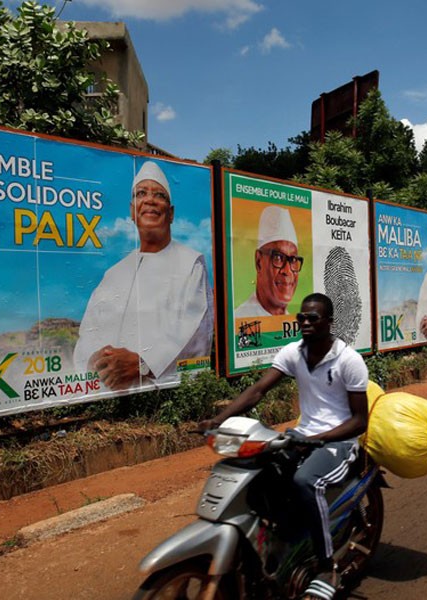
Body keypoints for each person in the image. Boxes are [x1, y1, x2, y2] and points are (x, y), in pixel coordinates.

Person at [198, 293, 368, 600]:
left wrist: (322, 438)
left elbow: (359, 421)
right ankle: (276, 546)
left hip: (341, 444)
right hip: (302, 435)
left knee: (306, 482)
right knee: (260, 475)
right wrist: (217, 419)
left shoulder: (348, 360)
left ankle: (326, 565)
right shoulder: (294, 352)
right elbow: (258, 391)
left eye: (312, 318)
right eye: (301, 318)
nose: (304, 323)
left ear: (329, 322)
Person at [72, 160, 214, 390]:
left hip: (162, 398)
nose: (150, 199)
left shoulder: (191, 263)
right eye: (141, 193)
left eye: (160, 195)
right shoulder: (114, 274)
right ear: (131, 211)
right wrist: (95, 359)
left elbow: (194, 332)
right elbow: (88, 331)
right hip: (105, 396)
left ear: (171, 214)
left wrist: (142, 364)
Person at [234, 205, 304, 318]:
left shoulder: (294, 322)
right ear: (258, 262)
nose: (287, 271)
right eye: (278, 258)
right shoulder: (241, 319)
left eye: (293, 260)